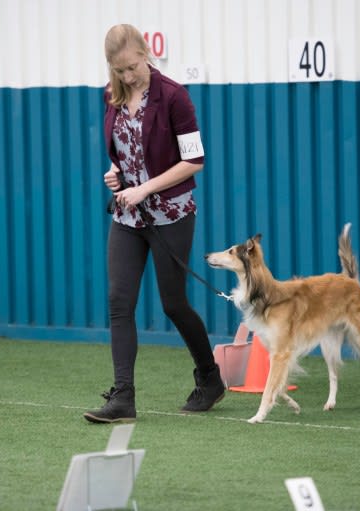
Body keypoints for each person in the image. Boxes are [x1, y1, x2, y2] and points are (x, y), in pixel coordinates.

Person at [84, 24, 225, 424]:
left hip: (171, 213)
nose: (127, 76)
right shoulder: (111, 95)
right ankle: (123, 397)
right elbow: (125, 152)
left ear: (145, 52)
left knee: (173, 303)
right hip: (128, 213)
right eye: (118, 70)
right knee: (119, 301)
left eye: (131, 67)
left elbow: (194, 161)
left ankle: (210, 378)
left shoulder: (174, 96)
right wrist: (115, 173)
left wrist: (144, 188)